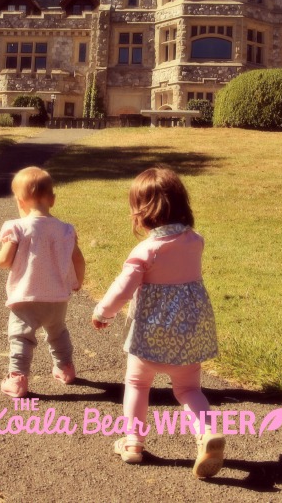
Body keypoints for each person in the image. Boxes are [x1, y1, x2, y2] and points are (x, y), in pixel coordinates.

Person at [92, 167, 225, 479]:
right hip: (189, 334)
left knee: (138, 384)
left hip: (150, 336)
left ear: (141, 212)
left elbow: (122, 289)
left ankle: (133, 443)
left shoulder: (146, 251)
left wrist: (103, 313)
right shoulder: (196, 241)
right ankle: (207, 433)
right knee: (189, 388)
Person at [0, 166, 85, 398]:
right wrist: (77, 282)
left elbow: (4, 260)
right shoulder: (65, 230)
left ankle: (17, 378)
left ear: (20, 201)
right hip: (57, 298)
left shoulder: (17, 228)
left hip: (26, 296)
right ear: (52, 200)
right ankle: (65, 368)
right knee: (57, 332)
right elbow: (78, 259)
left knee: (21, 336)